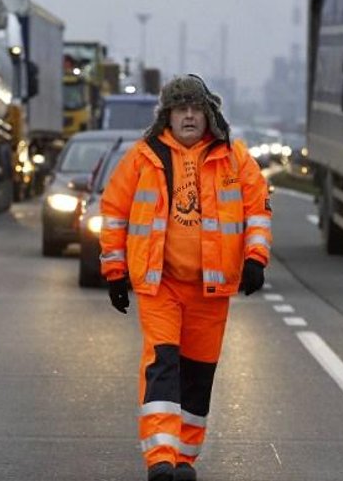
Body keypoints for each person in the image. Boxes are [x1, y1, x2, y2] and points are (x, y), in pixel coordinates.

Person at [99, 74, 272, 481]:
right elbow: (113, 212)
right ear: (168, 117)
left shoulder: (235, 157)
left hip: (211, 289)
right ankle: (160, 457)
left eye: (196, 108)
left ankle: (184, 460)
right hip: (162, 285)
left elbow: (258, 209)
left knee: (198, 376)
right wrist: (114, 270)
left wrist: (255, 258)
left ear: (209, 114)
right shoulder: (143, 157)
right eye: (181, 109)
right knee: (162, 366)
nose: (189, 116)